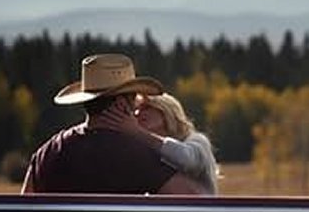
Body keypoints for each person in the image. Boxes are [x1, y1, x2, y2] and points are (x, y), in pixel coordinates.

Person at [21, 53, 202, 195]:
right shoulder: (134, 153)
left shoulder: (48, 151)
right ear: (122, 104)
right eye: (134, 97)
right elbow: (190, 198)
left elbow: (23, 209)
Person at [98, 92, 219, 195]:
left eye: (147, 107)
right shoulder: (147, 148)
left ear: (166, 111)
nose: (137, 113)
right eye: (136, 109)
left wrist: (138, 132)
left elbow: (187, 159)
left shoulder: (197, 140)